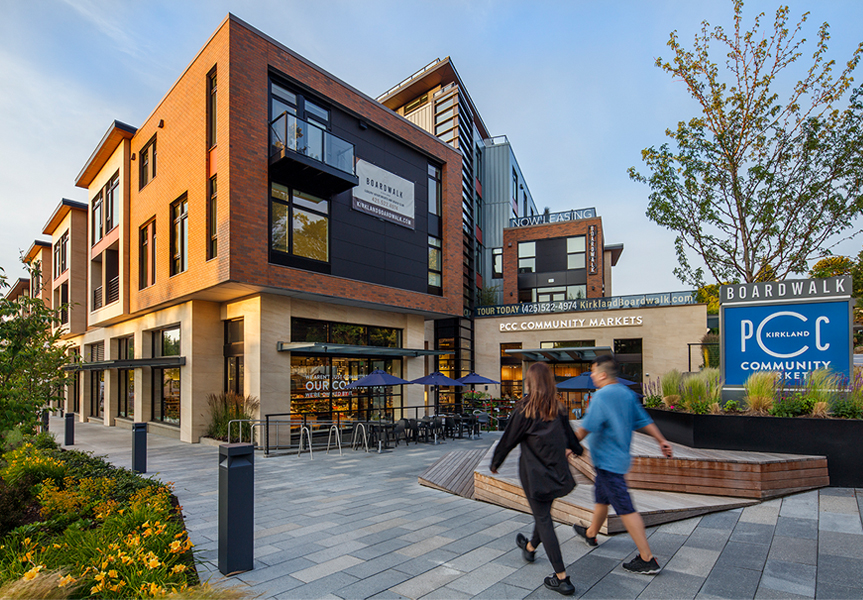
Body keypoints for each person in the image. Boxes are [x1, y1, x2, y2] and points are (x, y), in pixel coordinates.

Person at [572, 354, 673, 575]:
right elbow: (645, 420)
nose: (591, 375)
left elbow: (585, 427)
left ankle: (647, 559)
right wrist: (662, 440)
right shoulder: (627, 394)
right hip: (615, 460)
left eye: (593, 372)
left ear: (603, 374)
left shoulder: (601, 396)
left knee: (626, 509)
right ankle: (591, 534)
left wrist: (569, 445)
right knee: (601, 498)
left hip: (609, 463)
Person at [491, 363, 583, 596]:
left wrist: (495, 462)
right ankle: (530, 548)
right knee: (543, 516)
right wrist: (578, 450)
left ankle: (562, 578)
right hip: (557, 473)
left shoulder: (525, 410)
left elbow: (508, 439)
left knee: (544, 519)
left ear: (530, 382)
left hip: (535, 475)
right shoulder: (559, 408)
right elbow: (570, 437)